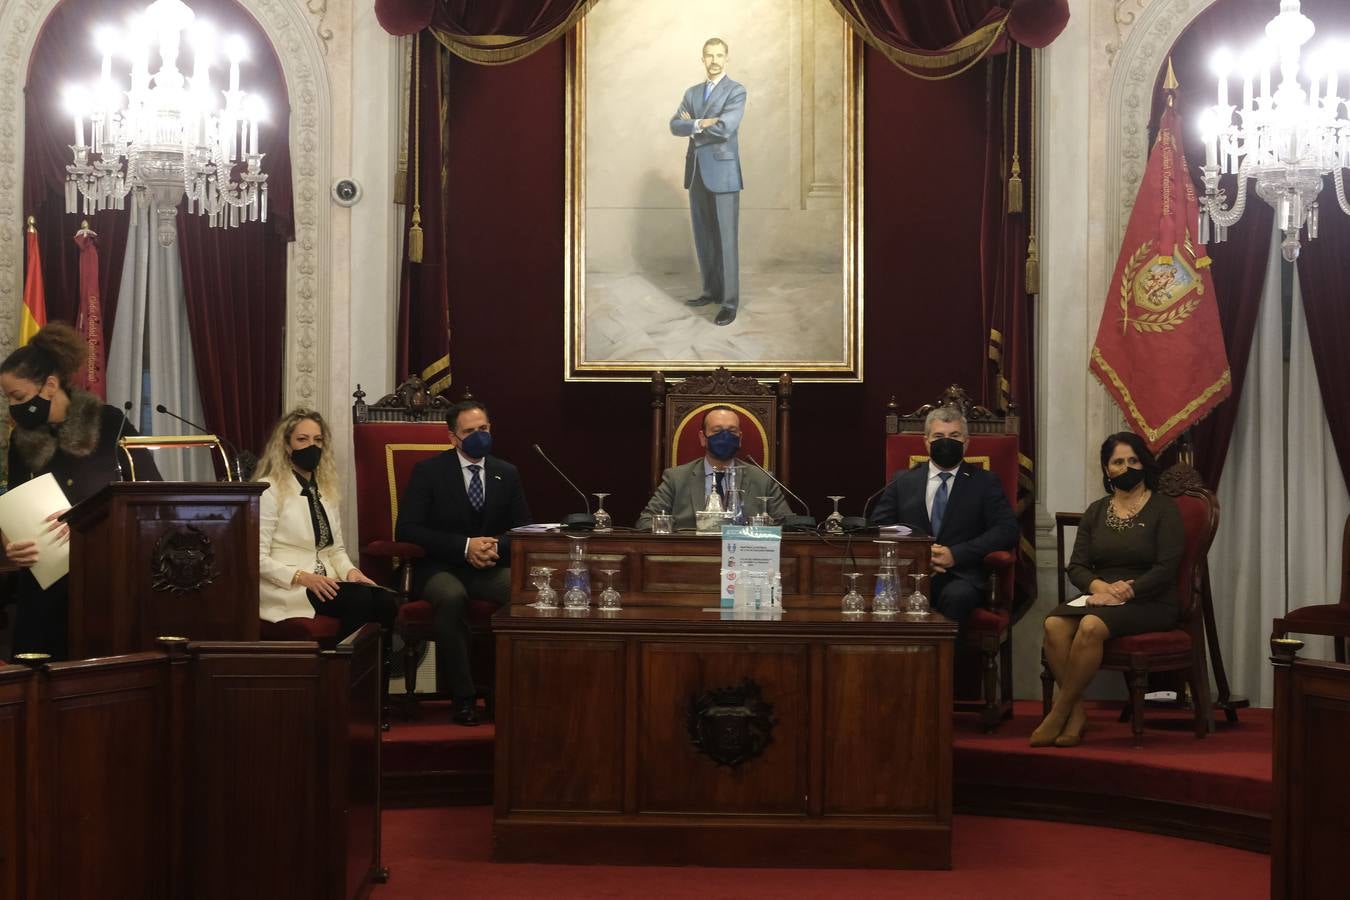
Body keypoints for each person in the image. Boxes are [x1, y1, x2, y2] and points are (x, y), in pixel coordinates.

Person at [0, 322, 160, 659]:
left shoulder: (109, 422)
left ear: (50, 385)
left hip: (103, 576)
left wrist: (86, 518)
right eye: (8, 399)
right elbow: (11, 504)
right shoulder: (21, 439)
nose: (12, 408)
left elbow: (149, 493)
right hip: (43, 581)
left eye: (18, 397)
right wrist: (10, 546)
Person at [1033, 432, 1184, 748]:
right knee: (1053, 625)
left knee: (1090, 626)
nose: (1126, 467)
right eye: (1118, 462)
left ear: (1144, 463)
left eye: (1133, 460)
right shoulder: (1097, 510)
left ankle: (1059, 712)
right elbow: (1076, 567)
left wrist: (1124, 592)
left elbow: (1167, 567)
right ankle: (1076, 714)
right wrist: (1100, 587)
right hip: (1101, 594)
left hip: (1151, 598)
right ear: (1106, 470)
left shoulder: (1164, 509)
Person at [396, 399, 531, 726]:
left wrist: (495, 546)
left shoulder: (506, 473)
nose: (478, 436)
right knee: (452, 597)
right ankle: (464, 698)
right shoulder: (429, 472)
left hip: (487, 567)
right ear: (453, 437)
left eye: (483, 429)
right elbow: (407, 528)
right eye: (470, 431)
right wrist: (464, 546)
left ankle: (509, 694)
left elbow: (524, 528)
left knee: (524, 595)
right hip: (439, 567)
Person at [869, 407, 1018, 627]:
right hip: (908, 574)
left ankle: (947, 663)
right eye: (939, 436)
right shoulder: (902, 481)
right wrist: (919, 554)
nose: (946, 442)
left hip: (960, 576)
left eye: (954, 436)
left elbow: (1007, 530)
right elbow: (879, 528)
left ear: (966, 442)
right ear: (926, 441)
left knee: (957, 597)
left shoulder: (985, 482)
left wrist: (955, 554)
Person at [255, 408, 394, 641]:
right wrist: (302, 577)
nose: (312, 446)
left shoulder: (325, 491)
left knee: (384, 600)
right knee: (359, 600)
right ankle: (341, 671)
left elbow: (336, 550)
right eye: (302, 439)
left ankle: (374, 675)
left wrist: (352, 573)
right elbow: (257, 558)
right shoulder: (268, 489)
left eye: (318, 440)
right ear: (286, 446)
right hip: (288, 587)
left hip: (326, 583)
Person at [670, 37, 747, 327]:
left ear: (727, 58)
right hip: (696, 172)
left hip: (724, 173)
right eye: (708, 55)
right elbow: (674, 125)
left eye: (719, 55)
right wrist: (703, 123)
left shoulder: (736, 91)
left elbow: (727, 128)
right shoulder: (691, 92)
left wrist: (693, 125)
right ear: (702, 59)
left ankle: (729, 303)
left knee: (726, 240)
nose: (714, 60)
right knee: (704, 238)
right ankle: (711, 291)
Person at [637, 406, 792, 531]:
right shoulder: (676, 478)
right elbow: (645, 522)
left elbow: (789, 525)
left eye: (732, 431)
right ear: (703, 437)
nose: (725, 437)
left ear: (740, 438)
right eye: (717, 431)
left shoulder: (763, 479)